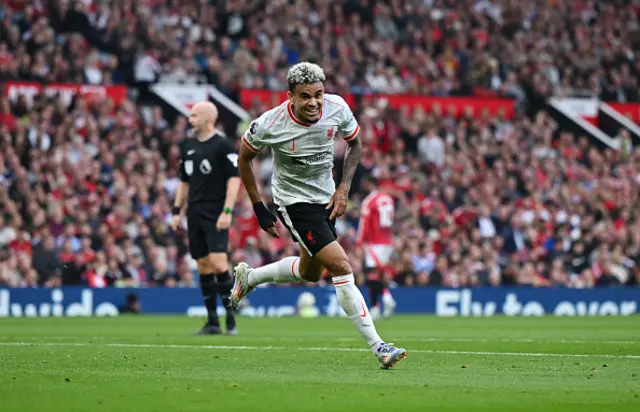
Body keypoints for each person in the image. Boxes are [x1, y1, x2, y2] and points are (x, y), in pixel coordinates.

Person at [231, 62, 407, 369]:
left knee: (311, 273)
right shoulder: (270, 123)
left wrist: (344, 188)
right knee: (340, 265)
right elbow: (244, 157)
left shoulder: (337, 107)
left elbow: (355, 144)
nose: (313, 102)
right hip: (294, 203)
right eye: (305, 96)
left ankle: (250, 277)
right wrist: (260, 207)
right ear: (291, 97)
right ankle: (379, 346)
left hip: (326, 198)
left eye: (318, 95)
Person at [171, 101, 241, 335]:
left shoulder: (223, 146)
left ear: (208, 119)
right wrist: (176, 211)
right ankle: (212, 322)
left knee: (219, 262)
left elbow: (234, 179)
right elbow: (184, 181)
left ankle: (231, 319)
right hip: (195, 212)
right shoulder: (188, 146)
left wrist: (227, 211)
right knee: (202, 265)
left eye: (194, 116)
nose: (189, 120)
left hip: (216, 210)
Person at [356, 176, 397, 320]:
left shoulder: (369, 201)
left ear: (369, 184)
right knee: (379, 274)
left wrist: (359, 243)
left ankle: (383, 300)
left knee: (371, 275)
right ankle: (378, 306)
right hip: (387, 241)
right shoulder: (388, 199)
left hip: (374, 242)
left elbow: (364, 223)